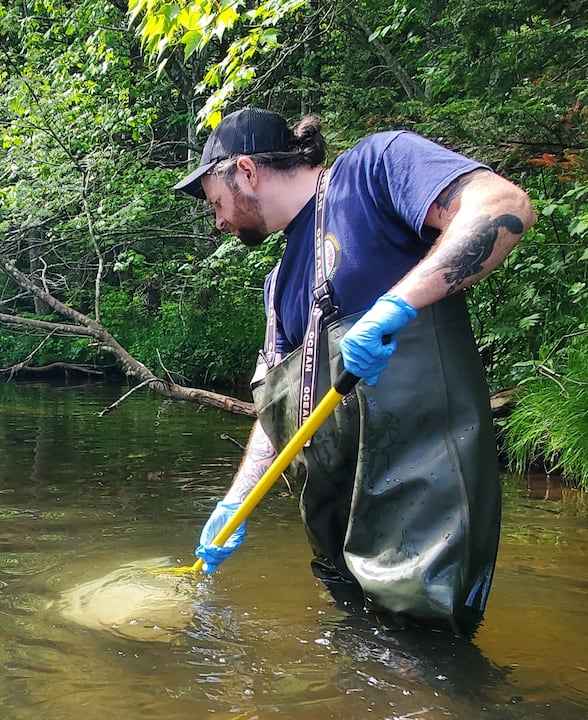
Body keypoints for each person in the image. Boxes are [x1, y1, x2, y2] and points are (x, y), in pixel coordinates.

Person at [174, 107, 535, 635]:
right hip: (340, 537)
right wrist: (236, 499)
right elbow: (276, 410)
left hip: (420, 516)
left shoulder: (374, 170)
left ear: (246, 171)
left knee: (422, 667)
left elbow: (505, 206)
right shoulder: (278, 287)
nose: (219, 221)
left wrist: (400, 304)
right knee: (358, 658)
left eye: (216, 202)